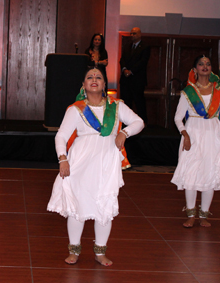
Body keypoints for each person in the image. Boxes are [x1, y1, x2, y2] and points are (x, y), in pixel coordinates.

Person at [47, 67, 144, 266]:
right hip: (80, 163)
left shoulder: (116, 106)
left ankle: (100, 252)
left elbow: (138, 122)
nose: (94, 79)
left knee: (105, 205)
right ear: (83, 85)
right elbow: (61, 136)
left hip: (107, 163)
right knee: (77, 205)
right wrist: (62, 159)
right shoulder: (76, 109)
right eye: (89, 77)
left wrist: (124, 133)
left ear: (104, 84)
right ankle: (74, 250)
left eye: (98, 77)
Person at [171, 55, 220, 228]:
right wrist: (185, 135)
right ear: (194, 69)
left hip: (212, 133)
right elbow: (178, 118)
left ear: (211, 69)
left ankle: (204, 215)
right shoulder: (188, 92)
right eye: (201, 64)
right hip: (193, 133)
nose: (205, 66)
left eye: (208, 64)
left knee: (209, 171)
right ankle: (190, 214)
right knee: (190, 172)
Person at [119, 27, 150, 124]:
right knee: (126, 103)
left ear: (140, 34)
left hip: (137, 80)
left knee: (139, 103)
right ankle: (126, 123)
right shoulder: (127, 46)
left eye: (134, 33)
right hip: (126, 80)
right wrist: (124, 70)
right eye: (131, 33)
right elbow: (122, 59)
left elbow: (143, 62)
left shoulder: (145, 46)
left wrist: (131, 71)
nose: (132, 35)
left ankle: (142, 123)